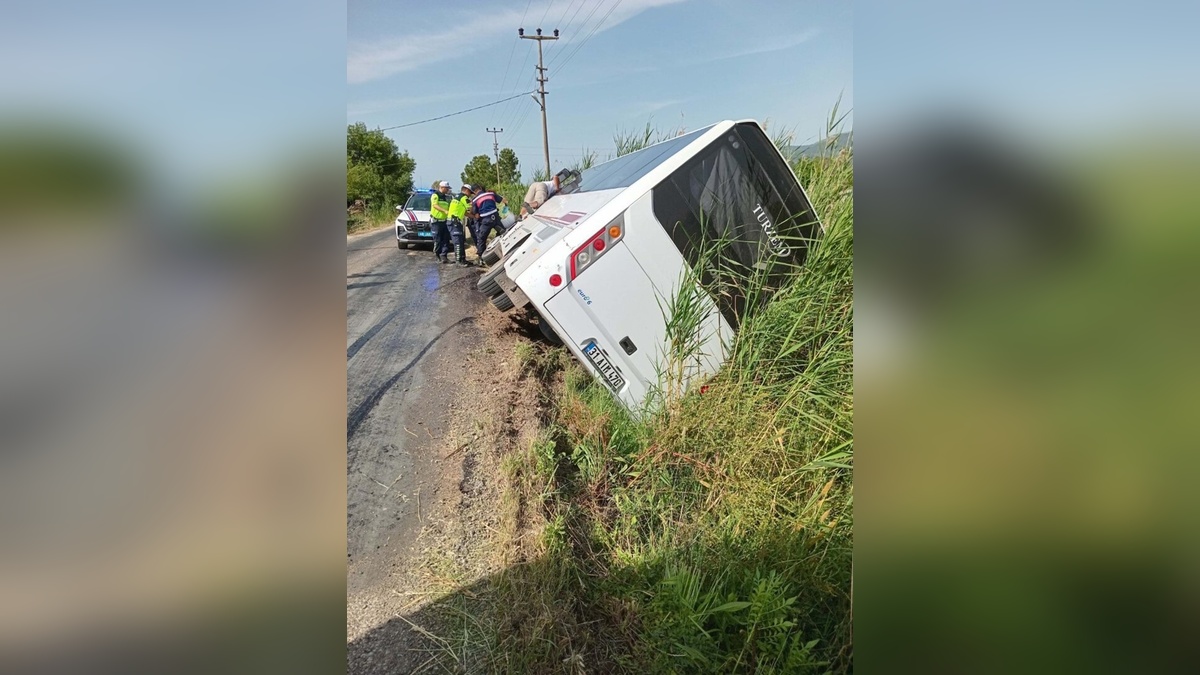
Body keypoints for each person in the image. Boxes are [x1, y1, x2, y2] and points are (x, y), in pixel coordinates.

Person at [469, 185, 507, 258]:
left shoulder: (475, 200)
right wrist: (505, 212)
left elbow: (476, 214)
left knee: (481, 239)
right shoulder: (491, 194)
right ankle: (505, 249)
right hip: (496, 218)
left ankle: (481, 258)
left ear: (474, 192)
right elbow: (504, 200)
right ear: (480, 188)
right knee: (503, 234)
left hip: (486, 221)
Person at [446, 184, 473, 266]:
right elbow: (470, 207)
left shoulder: (457, 197)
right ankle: (458, 261)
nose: (470, 195)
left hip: (455, 222)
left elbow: (464, 212)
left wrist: (473, 216)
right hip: (454, 222)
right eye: (470, 193)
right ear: (467, 191)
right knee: (457, 242)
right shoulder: (464, 197)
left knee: (461, 241)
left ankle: (462, 259)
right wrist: (474, 213)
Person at [429, 180, 453, 262]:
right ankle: (437, 255)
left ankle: (444, 256)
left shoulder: (445, 197)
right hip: (436, 221)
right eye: (447, 188)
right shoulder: (435, 195)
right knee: (437, 240)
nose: (448, 190)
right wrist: (444, 211)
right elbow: (435, 205)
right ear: (442, 187)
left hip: (444, 221)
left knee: (446, 239)